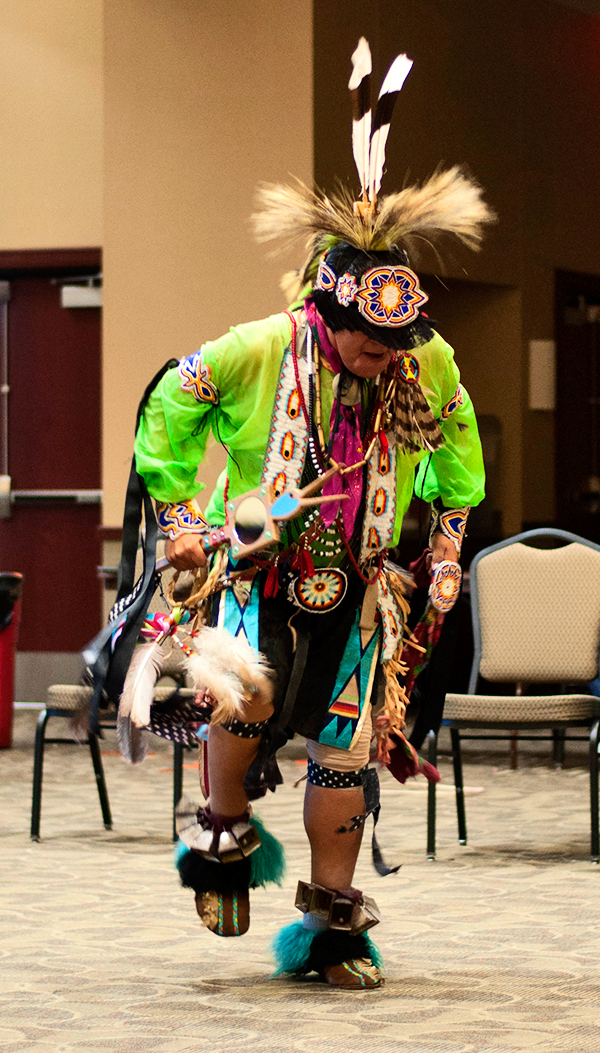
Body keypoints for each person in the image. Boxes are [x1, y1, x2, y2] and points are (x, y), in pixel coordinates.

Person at [130, 40, 492, 989]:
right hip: (258, 567)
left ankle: (334, 930)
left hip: (364, 584)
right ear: (329, 316)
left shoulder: (427, 363)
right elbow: (171, 402)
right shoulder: (259, 348)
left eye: (395, 342)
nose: (383, 355)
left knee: (348, 746)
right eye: (368, 341)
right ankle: (223, 835)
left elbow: (457, 451)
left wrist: (448, 542)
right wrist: (175, 511)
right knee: (243, 694)